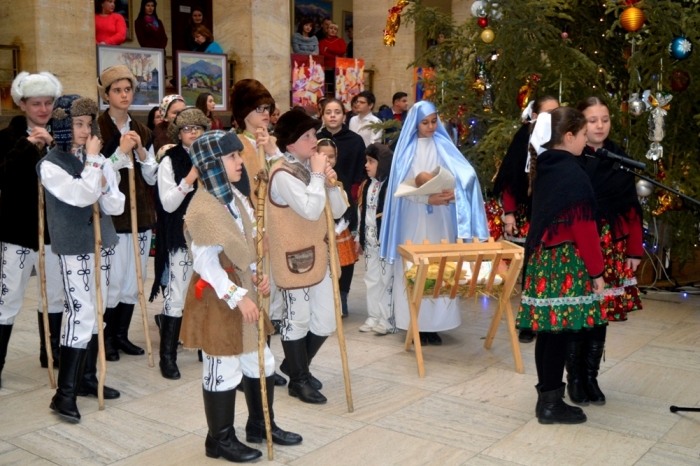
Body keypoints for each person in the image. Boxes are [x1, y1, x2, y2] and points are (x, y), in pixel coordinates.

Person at [182, 130, 302, 461]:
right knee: (223, 367)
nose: (240, 161)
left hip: (242, 291)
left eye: (239, 155)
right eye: (232, 157)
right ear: (211, 165)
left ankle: (260, 426)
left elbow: (243, 246)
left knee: (260, 360)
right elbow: (207, 264)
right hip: (218, 299)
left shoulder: (234, 198)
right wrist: (238, 295)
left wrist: (254, 275)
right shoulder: (202, 208)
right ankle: (218, 439)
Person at [515, 106, 607, 425]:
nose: (586, 141)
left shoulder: (547, 165)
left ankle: (548, 398)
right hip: (563, 263)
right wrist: (597, 272)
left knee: (548, 334)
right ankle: (551, 403)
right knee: (557, 334)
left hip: (544, 260)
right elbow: (584, 228)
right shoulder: (571, 172)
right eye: (583, 134)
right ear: (568, 136)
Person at [38, 94, 125, 422]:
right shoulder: (49, 164)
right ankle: (64, 394)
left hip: (104, 242)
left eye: (88, 124)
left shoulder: (97, 158)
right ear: (62, 125)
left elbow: (114, 205)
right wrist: (93, 167)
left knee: (97, 309)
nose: (85, 130)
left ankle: (88, 378)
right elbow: (81, 196)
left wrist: (104, 178)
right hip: (75, 246)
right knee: (80, 311)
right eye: (77, 123)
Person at [380, 101, 489, 345]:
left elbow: (465, 177)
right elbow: (400, 187)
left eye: (433, 121)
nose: (430, 126)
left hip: (441, 219)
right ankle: (415, 324)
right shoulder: (405, 150)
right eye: (425, 122)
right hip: (413, 217)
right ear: (414, 123)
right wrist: (426, 196)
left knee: (441, 267)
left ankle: (436, 325)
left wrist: (454, 194)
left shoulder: (445, 146)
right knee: (414, 268)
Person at [564, 97, 644, 407]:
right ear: (580, 124)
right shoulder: (571, 157)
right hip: (577, 245)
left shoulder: (620, 158)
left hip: (610, 245)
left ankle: (591, 377)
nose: (599, 125)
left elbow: (631, 207)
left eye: (605, 119)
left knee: (599, 314)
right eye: (593, 120)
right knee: (578, 310)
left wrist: (634, 249)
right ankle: (573, 378)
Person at [267, 110, 347, 404]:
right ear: (290, 144)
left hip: (320, 255)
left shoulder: (307, 169)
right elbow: (310, 210)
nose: (315, 141)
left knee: (326, 319)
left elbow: (336, 211)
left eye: (314, 134)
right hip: (294, 260)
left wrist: (329, 183)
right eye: (307, 137)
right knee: (297, 319)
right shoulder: (282, 174)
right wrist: (316, 175)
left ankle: (294, 364)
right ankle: (298, 380)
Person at [0, 71, 64, 387]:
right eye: (36, 103)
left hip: (54, 231)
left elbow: (72, 174)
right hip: (18, 230)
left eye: (48, 103)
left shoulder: (60, 135)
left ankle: (50, 354)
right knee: (8, 297)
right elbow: (3, 174)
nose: (43, 109)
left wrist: (53, 146)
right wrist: (28, 145)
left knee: (53, 295)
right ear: (22, 104)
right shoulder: (7, 137)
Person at [97, 65, 158, 362]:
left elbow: (152, 177)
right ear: (106, 95)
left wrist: (143, 155)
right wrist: (121, 153)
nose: (123, 95)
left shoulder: (143, 129)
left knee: (135, 278)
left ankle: (122, 335)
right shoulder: (96, 128)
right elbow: (97, 171)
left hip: (142, 216)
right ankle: (106, 337)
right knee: (113, 280)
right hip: (113, 218)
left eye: (127, 89)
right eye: (117, 90)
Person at [229, 79, 288, 387]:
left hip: (273, 226)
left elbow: (287, 178)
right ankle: (249, 363)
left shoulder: (268, 141)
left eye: (267, 107)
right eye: (258, 108)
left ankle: (263, 359)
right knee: (252, 294)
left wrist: (271, 148)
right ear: (244, 113)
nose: (265, 113)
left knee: (270, 296)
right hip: (249, 230)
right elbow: (240, 192)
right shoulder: (236, 144)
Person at [492, 95, 559, 344]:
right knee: (530, 271)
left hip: (552, 215)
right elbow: (509, 180)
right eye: (547, 112)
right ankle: (528, 322)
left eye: (557, 112)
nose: (553, 117)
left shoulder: (562, 140)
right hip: (526, 215)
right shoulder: (523, 138)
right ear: (533, 116)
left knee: (549, 269)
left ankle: (549, 317)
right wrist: (508, 213)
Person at [149, 107, 208, 380]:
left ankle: (204, 347)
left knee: (206, 293)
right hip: (179, 236)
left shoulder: (213, 156)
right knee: (177, 295)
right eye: (187, 128)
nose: (193, 133)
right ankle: (167, 357)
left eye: (198, 128)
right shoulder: (169, 161)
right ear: (178, 132)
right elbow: (168, 202)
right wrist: (190, 178)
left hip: (208, 235)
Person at [316, 99, 365, 316]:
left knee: (344, 258)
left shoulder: (355, 140)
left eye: (337, 112)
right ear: (322, 115)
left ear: (344, 116)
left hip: (346, 200)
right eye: (329, 112)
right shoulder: (314, 139)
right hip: (320, 205)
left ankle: (342, 295)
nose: (333, 116)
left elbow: (360, 171)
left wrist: (352, 199)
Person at [355, 143, 395, 335]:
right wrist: (359, 238)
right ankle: (373, 315)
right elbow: (361, 213)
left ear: (383, 163)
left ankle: (387, 319)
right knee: (371, 279)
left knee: (386, 280)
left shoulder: (390, 187)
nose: (366, 165)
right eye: (366, 161)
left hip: (385, 243)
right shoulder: (367, 185)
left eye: (371, 161)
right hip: (370, 241)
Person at [317, 138, 358, 318]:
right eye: (323, 156)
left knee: (344, 266)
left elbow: (349, 208)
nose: (328, 161)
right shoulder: (311, 178)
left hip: (339, 229)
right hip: (319, 232)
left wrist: (336, 230)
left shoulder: (341, 177)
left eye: (331, 157)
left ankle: (342, 299)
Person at [319, 23, 346, 92]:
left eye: (335, 29)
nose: (333, 30)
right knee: (327, 88)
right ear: (327, 29)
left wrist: (328, 49)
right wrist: (336, 56)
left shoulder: (340, 40)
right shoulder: (322, 42)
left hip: (339, 68)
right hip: (326, 68)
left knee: (338, 88)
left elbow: (342, 51)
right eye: (331, 28)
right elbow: (322, 54)